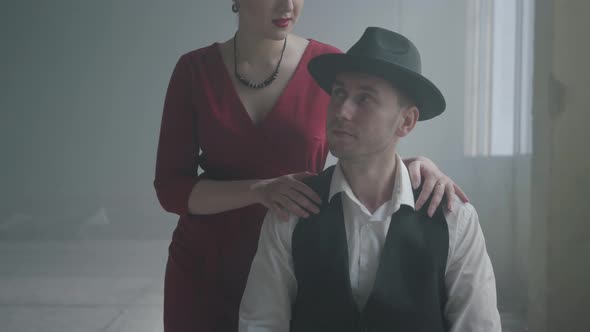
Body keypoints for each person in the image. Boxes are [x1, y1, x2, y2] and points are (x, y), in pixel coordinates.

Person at [154, 1, 469, 331]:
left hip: (299, 259)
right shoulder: (194, 70)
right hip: (206, 267)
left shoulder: (327, 67)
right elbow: (171, 189)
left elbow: (360, 143)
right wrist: (260, 190)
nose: (288, 5)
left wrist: (414, 166)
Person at [238, 27, 501, 332]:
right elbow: (261, 323)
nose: (342, 112)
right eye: (339, 93)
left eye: (365, 99)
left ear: (406, 121)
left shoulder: (454, 218)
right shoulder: (292, 211)